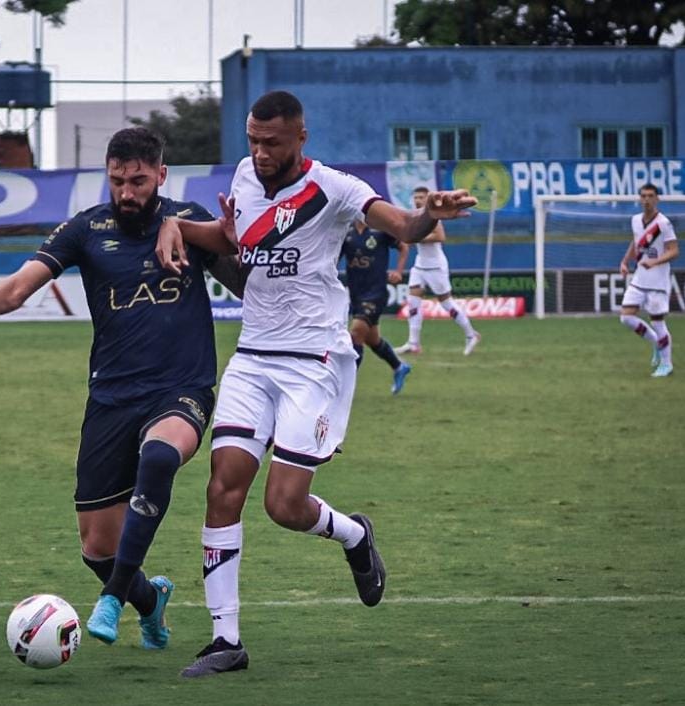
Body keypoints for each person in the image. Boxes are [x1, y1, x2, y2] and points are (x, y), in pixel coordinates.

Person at [155, 90, 476, 677]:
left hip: (313, 360)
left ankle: (354, 535)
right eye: (252, 140)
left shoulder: (336, 188)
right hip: (253, 356)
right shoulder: (246, 178)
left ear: (301, 138)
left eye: (271, 142)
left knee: (283, 505)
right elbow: (237, 244)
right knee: (223, 486)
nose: (259, 152)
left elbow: (404, 222)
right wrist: (178, 224)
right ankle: (225, 640)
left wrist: (432, 212)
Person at [0, 126, 235, 650]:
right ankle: (149, 599)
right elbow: (12, 292)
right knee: (97, 548)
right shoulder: (84, 229)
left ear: (161, 175)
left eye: (139, 181)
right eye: (117, 180)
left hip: (181, 388)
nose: (127, 192)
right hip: (111, 399)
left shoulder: (188, 221)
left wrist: (233, 239)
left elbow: (249, 281)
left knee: (161, 456)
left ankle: (113, 600)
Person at [395, 186, 481, 356]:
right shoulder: (415, 216)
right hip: (420, 265)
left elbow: (440, 237)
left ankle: (471, 335)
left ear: (428, 199)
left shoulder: (433, 216)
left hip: (436, 267)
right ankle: (413, 343)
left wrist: (416, 237)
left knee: (446, 303)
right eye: (416, 197)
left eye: (421, 197)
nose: (418, 200)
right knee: (413, 302)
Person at [340, 219, 412, 394]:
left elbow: (403, 247)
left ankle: (344, 388)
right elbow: (334, 258)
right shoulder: (345, 231)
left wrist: (398, 272)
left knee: (356, 333)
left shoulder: (380, 229)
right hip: (356, 293)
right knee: (372, 339)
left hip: (376, 293)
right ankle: (399, 366)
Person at [618, 182, 679, 377]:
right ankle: (656, 343)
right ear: (639, 199)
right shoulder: (635, 220)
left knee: (657, 321)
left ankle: (666, 364)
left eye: (650, 196)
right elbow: (637, 241)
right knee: (626, 317)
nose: (646, 200)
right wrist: (625, 261)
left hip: (657, 282)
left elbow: (674, 250)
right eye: (643, 196)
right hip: (639, 278)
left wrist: (655, 262)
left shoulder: (663, 223)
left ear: (657, 198)